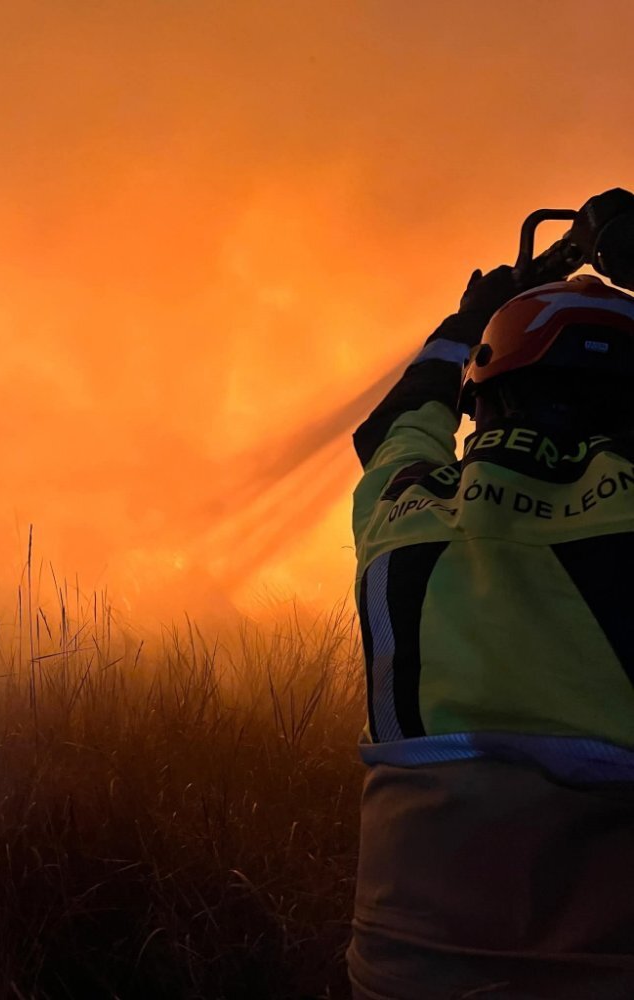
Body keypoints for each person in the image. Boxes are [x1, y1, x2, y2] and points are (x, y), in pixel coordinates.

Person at [346, 265, 634, 1000]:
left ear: (482, 397)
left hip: (404, 969)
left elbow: (398, 421)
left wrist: (468, 317)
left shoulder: (399, 508)